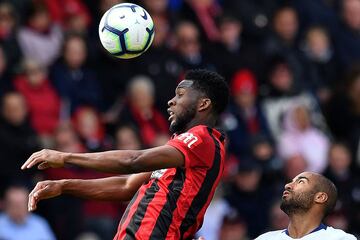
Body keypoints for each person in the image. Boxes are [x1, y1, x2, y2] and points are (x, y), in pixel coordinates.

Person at [21, 69, 229, 240]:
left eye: (180, 95)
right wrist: (64, 186)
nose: (171, 101)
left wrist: (65, 158)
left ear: (203, 104)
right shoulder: (183, 149)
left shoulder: (203, 139)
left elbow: (133, 161)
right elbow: (126, 185)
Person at [255, 172, 357, 240]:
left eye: (300, 182)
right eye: (291, 181)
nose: (288, 185)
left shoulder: (340, 238)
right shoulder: (265, 238)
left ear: (320, 197)